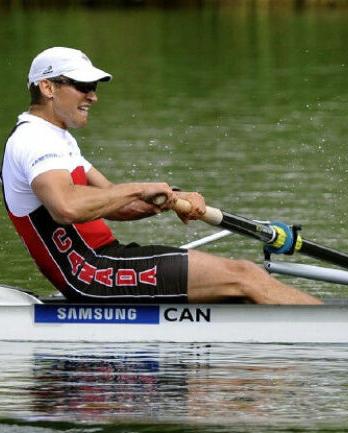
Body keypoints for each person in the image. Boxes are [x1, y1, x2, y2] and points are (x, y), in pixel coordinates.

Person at [2, 47, 320, 305]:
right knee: (245, 275)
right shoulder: (33, 141)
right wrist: (142, 188)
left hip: (107, 262)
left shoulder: (58, 140)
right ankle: (325, 348)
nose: (93, 96)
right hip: (90, 273)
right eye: (83, 87)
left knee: (235, 288)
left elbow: (115, 202)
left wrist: (169, 199)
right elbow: (67, 207)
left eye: (94, 88)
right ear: (48, 88)